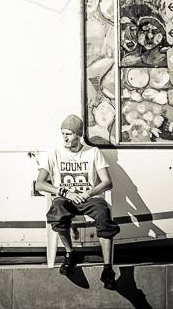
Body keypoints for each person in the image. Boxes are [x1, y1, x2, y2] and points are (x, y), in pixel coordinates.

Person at [35, 114, 119, 290]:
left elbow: (107, 182)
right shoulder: (54, 153)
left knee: (104, 215)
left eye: (69, 134)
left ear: (79, 134)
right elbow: (39, 184)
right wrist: (65, 192)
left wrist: (88, 192)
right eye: (63, 133)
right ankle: (70, 253)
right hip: (65, 198)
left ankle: (108, 269)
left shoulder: (93, 152)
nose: (64, 137)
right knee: (57, 211)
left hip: (89, 199)